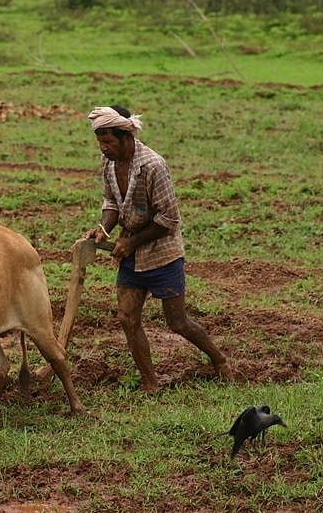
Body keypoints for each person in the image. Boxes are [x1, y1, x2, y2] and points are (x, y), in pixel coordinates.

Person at [84, 105, 234, 393]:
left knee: (178, 322)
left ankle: (219, 359)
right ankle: (150, 382)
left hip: (163, 253)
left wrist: (131, 242)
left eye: (108, 141)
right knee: (127, 318)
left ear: (126, 136)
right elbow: (111, 202)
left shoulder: (153, 165)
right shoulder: (109, 163)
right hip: (131, 255)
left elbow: (169, 218)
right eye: (100, 141)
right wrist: (104, 229)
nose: (103, 147)